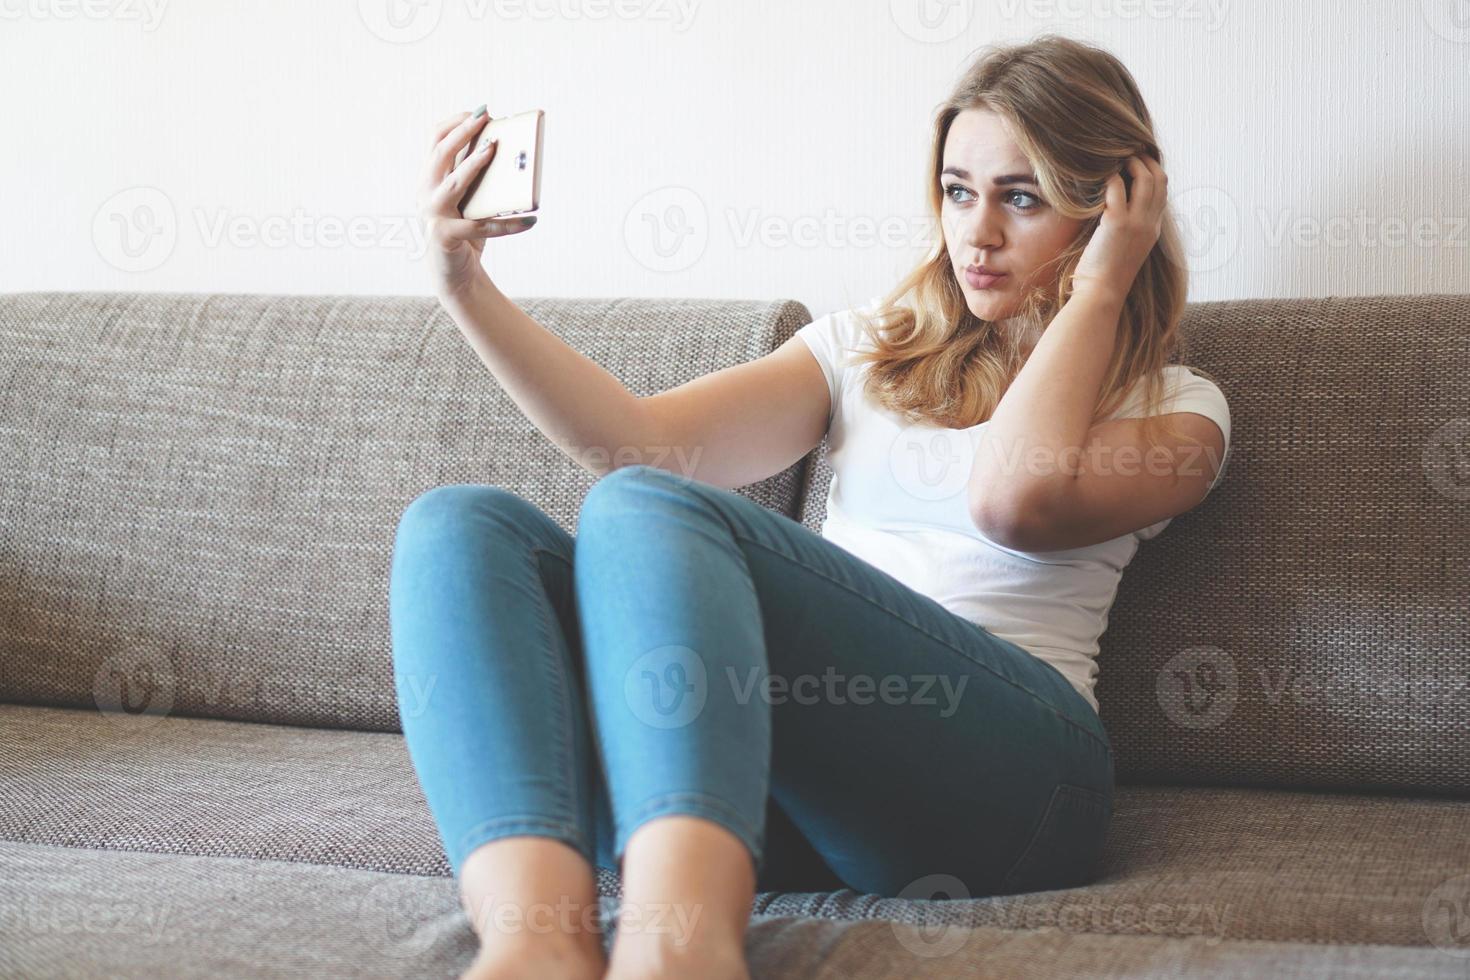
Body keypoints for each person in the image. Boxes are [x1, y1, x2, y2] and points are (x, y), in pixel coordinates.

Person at [390, 33, 1230, 980]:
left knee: (653, 511)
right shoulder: (866, 352)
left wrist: (1102, 288)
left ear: (1114, 206)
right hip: (802, 794)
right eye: (958, 191)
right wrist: (462, 284)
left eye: (1021, 196)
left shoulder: (1183, 412)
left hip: (1020, 786)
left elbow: (1012, 500)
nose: (977, 233)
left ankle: (681, 953)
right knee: (461, 528)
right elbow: (641, 445)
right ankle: (534, 944)